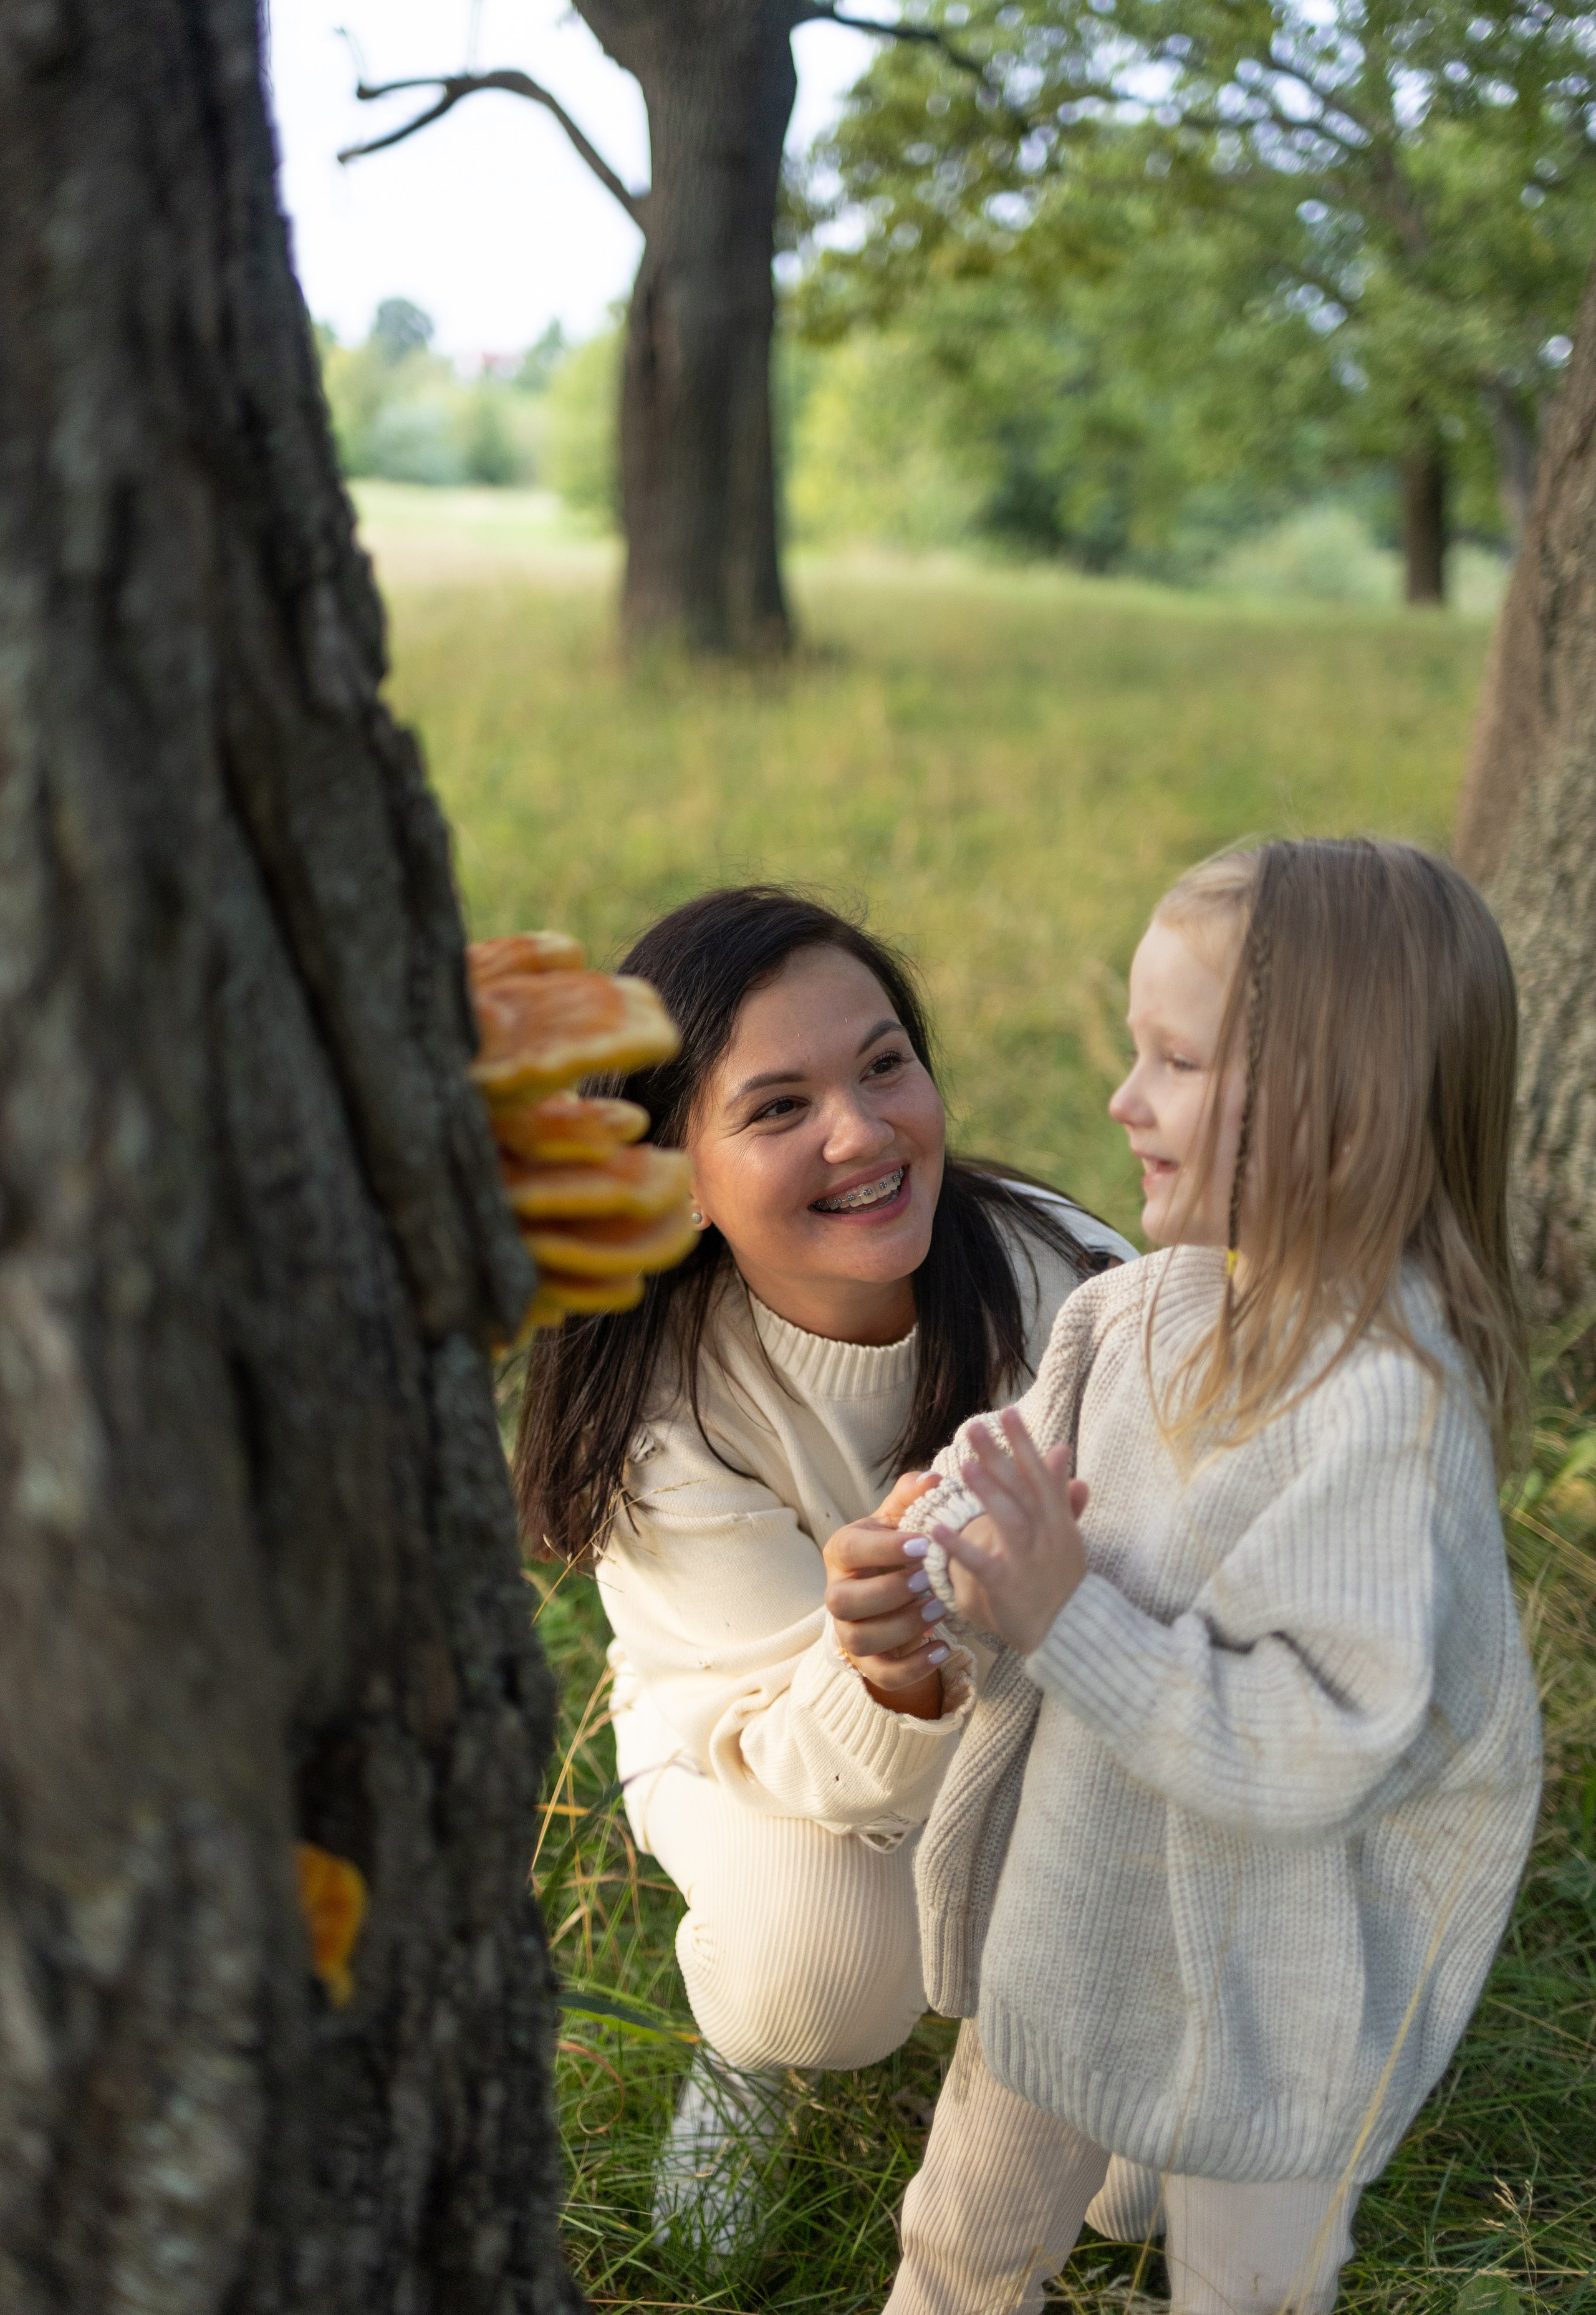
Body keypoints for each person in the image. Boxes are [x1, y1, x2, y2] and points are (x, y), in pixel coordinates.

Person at [881, 839, 1542, 2315]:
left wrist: (1066, 1618)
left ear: (1336, 1109)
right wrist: (946, 1556)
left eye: (1171, 1061)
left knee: (1246, 2280)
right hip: (1079, 1896)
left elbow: (1325, 1742)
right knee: (966, 2228)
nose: (1121, 1101)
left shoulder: (1384, 1409)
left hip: (1271, 1974)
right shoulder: (1131, 1313)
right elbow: (1031, 1534)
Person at [511, 885, 1139, 2253]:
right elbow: (810, 1764)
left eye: (881, 1065)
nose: (860, 1133)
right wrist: (888, 1669)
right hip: (757, 1739)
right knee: (825, 1976)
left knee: (1132, 2199)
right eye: (776, 1106)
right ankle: (744, 2056)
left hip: (1049, 1718)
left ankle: (1014, 1980)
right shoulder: (652, 1407)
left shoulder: (1069, 1283)